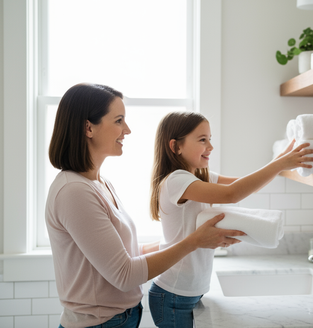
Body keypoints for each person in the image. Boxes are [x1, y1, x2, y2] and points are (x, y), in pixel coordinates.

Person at [46, 83, 245, 328]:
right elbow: (125, 275)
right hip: (99, 323)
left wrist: (187, 236)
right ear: (88, 127)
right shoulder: (73, 192)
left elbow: (128, 253)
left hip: (119, 319)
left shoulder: (100, 183)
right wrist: (194, 241)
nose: (127, 130)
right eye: (119, 120)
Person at [148, 111, 313, 328]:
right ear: (175, 146)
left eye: (210, 139)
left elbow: (244, 186)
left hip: (187, 291)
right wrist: (279, 164)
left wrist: (279, 162)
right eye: (202, 140)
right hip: (173, 294)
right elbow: (232, 194)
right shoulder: (176, 181)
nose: (210, 146)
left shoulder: (200, 175)